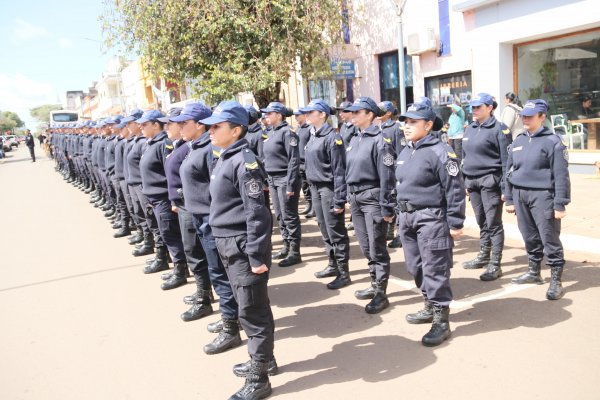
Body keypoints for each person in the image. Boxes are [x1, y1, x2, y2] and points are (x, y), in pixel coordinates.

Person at [202, 101, 276, 400]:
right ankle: (264, 360)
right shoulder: (225, 157)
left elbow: (257, 213)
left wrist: (257, 255)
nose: (210, 131)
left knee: (252, 310)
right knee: (250, 306)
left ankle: (259, 378)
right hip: (228, 243)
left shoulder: (244, 162)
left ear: (235, 130)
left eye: (216, 126)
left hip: (243, 248)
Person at [395, 100, 466, 346]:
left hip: (431, 218)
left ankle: (441, 319)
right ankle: (428, 303)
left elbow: (455, 189)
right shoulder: (407, 150)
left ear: (428, 125)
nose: (407, 126)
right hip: (407, 218)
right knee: (415, 266)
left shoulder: (441, 151)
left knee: (435, 268)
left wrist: (456, 222)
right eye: (405, 121)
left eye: (413, 122)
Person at [505, 99, 570, 300]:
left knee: (549, 237)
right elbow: (509, 170)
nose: (525, 119)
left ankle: (555, 280)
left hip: (543, 196)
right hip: (520, 195)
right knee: (529, 236)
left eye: (530, 116)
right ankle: (534, 272)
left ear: (542, 117)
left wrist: (560, 203)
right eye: (523, 115)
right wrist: (509, 198)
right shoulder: (518, 140)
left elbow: (561, 175)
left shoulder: (553, 142)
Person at [343, 97, 396, 313]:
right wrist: (348, 196)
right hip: (356, 198)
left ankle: (381, 293)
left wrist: (387, 206)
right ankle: (374, 283)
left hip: (372, 198)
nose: (352, 116)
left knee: (377, 247)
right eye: (352, 112)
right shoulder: (354, 138)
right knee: (365, 246)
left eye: (357, 112)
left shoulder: (380, 140)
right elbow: (347, 171)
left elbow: (387, 177)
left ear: (370, 115)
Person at [461, 93, 513, 281]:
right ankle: (484, 255)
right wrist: (464, 181)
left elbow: (508, 162)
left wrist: (506, 190)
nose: (474, 110)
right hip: (472, 183)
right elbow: (464, 157)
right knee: (481, 221)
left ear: (490, 108)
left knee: (493, 223)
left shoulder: (500, 129)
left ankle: (495, 264)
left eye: (478, 107)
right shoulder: (470, 128)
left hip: (490, 182)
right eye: (472, 107)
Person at [300, 99, 351, 287]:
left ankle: (344, 273)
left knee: (335, 230)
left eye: (310, 112)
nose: (306, 116)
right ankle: (333, 264)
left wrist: (339, 199)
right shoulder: (313, 135)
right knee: (324, 228)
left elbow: (339, 171)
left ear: (322, 114)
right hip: (315, 188)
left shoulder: (332, 137)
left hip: (328, 188)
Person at [261, 102, 302, 268]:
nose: (266, 117)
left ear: (279, 115)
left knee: (289, 215)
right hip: (272, 179)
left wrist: (291, 184)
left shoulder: (287, 133)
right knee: (279, 214)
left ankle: (294, 251)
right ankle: (286, 245)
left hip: (285, 178)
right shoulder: (270, 132)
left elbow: (293, 160)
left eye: (269, 114)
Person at [377, 101, 405, 249]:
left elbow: (401, 152)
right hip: (383, 171)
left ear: (388, 113)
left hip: (394, 171)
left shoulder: (396, 128)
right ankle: (389, 231)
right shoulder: (379, 128)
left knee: (397, 202)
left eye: (380, 109)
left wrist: (399, 172)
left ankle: (400, 235)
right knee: (388, 201)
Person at [295, 110, 315, 218]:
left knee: (310, 185)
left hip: (307, 161)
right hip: (299, 162)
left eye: (298, 115)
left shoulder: (309, 128)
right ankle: (309, 204)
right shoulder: (298, 129)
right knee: (304, 186)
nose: (296, 117)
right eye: (295, 115)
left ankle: (314, 208)